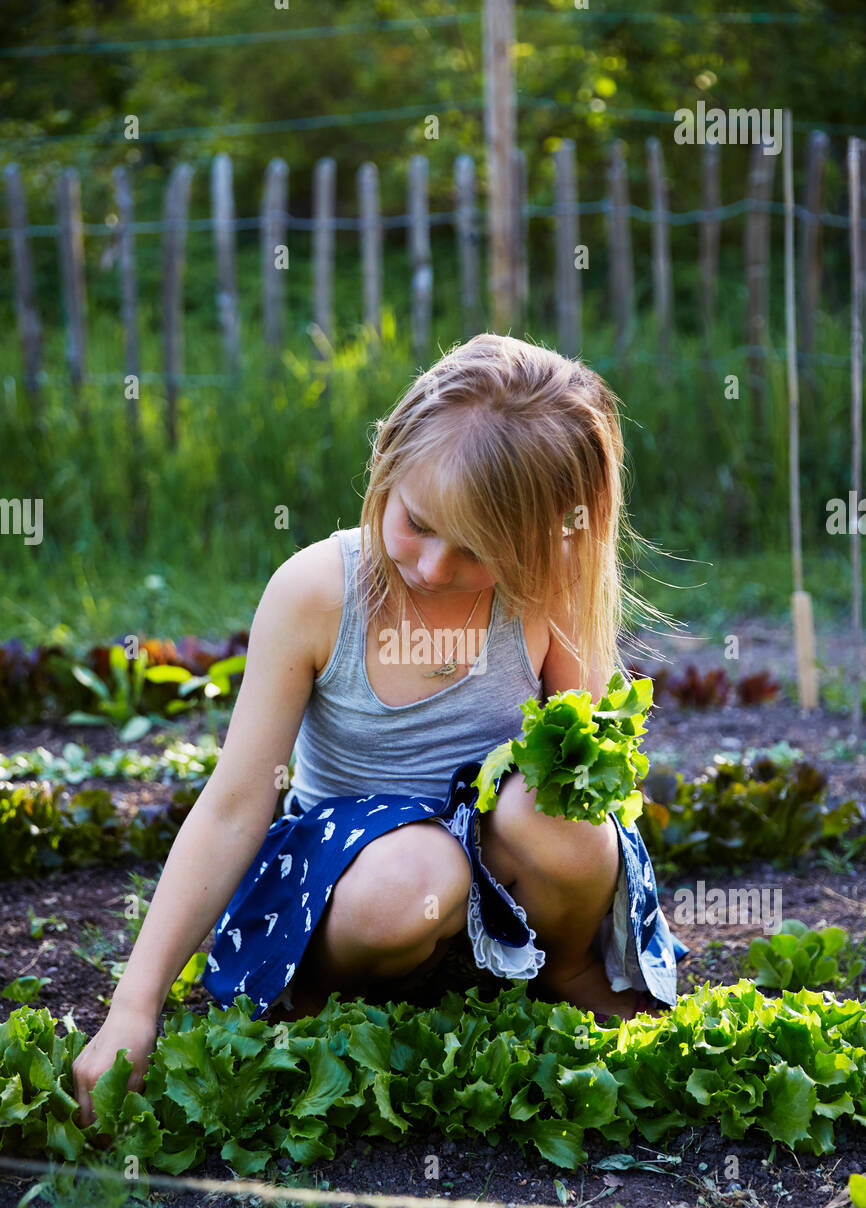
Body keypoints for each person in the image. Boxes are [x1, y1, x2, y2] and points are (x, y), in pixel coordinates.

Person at [72, 333, 686, 1129]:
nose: (433, 567)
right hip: (356, 876)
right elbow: (233, 805)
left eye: (477, 550)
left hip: (492, 860)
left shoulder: (545, 587)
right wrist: (134, 1005)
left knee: (563, 814)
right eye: (419, 523)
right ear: (388, 466)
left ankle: (563, 968)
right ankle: (324, 987)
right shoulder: (318, 595)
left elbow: (593, 773)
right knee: (408, 884)